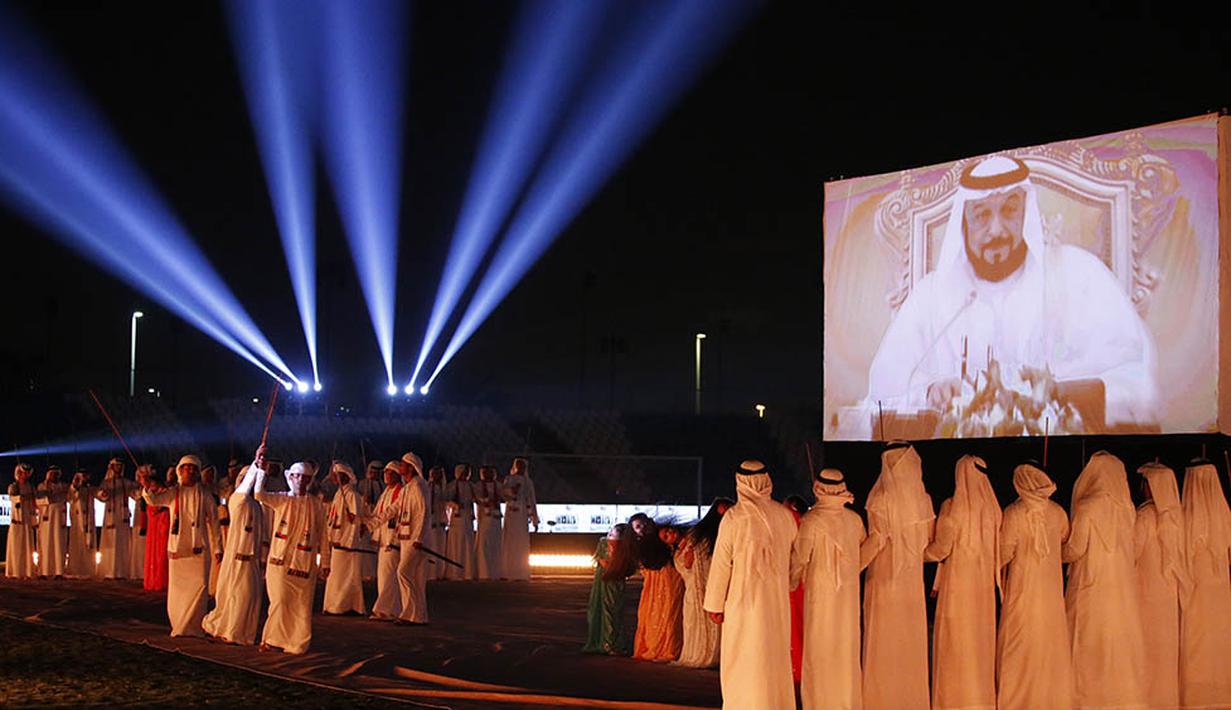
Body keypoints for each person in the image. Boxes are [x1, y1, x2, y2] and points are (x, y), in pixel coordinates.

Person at [864, 155, 1158, 428]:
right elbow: (881, 391)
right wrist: (930, 392)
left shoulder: (1080, 275)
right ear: (963, 222)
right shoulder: (930, 296)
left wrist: (1059, 393)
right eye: (981, 215)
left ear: (1025, 214)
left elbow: (1140, 386)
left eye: (1009, 210)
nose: (996, 230)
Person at [703, 460, 798, 710]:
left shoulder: (734, 518)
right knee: (773, 655)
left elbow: (722, 563)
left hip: (742, 602)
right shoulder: (784, 515)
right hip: (775, 602)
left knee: (743, 656)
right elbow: (795, 559)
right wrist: (790, 583)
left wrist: (715, 603)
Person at [1063, 451, 1148, 708]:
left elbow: (1075, 549)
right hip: (1121, 589)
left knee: (1089, 640)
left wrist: (1054, 552)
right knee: (1118, 641)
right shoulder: (1128, 509)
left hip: (1091, 583)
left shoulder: (1088, 505)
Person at [924, 455, 1001, 710]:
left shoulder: (952, 506)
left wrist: (916, 554)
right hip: (983, 591)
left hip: (958, 590)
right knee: (979, 644)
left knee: (956, 646)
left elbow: (940, 549)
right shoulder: (993, 510)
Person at [860, 443, 934, 710]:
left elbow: (876, 541)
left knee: (883, 640)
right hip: (912, 582)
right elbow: (927, 542)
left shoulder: (880, 497)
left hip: (883, 579)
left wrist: (850, 565)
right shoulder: (923, 500)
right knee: (908, 641)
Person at [997, 462, 1073, 709]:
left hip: (1023, 591)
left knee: (1021, 643)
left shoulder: (1014, 513)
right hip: (1050, 592)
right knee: (1047, 643)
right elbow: (1064, 539)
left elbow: (1004, 552)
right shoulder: (1058, 512)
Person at [790, 470, 866, 710]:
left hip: (819, 598)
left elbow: (799, 559)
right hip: (847, 599)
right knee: (845, 650)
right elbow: (862, 548)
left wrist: (789, 583)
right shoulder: (854, 520)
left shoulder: (812, 521)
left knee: (819, 651)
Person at [139, 455, 223, 638]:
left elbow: (214, 522)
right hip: (178, 551)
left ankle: (193, 628)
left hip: (199, 551)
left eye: (193, 468)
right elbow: (154, 501)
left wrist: (218, 548)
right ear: (180, 471)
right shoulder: (173, 493)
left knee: (200, 588)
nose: (190, 471)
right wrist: (146, 487)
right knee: (178, 593)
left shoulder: (205, 495)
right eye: (186, 468)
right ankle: (179, 626)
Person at [254, 459, 328, 654]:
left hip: (304, 565)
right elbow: (259, 494)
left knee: (301, 606)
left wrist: (325, 563)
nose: (300, 481)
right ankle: (271, 639)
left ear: (309, 480)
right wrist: (260, 469)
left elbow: (323, 536)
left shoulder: (317, 505)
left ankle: (296, 644)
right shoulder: (282, 499)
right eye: (296, 476)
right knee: (279, 601)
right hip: (279, 562)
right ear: (290, 477)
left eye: (305, 478)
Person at [1179, 459, 1231, 707]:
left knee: (1198, 639)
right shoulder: (1222, 515)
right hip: (1218, 591)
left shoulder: (1189, 516)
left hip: (1198, 589)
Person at [1134, 462, 1185, 709]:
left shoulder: (1144, 516)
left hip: (1145, 591)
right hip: (1168, 593)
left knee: (1147, 646)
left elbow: (1132, 551)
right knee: (1165, 647)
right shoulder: (1178, 518)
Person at [203, 453, 266, 645]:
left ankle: (243, 634)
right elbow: (246, 486)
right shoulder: (236, 500)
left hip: (252, 561)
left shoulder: (257, 505)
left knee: (249, 599)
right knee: (235, 596)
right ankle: (229, 631)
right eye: (249, 478)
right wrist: (256, 463)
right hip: (236, 559)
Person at [673, 498, 730, 669]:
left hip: (720, 584)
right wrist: (687, 562)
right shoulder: (695, 535)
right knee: (696, 622)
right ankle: (698, 653)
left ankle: (718, 655)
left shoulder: (730, 532)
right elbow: (680, 558)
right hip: (697, 586)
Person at [632, 518, 685, 662]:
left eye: (668, 531)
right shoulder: (660, 560)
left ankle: (668, 646)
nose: (670, 533)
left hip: (671, 591)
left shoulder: (678, 548)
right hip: (662, 592)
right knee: (661, 616)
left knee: (669, 616)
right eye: (665, 535)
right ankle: (664, 646)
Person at [583, 523, 638, 655]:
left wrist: (610, 565)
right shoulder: (603, 543)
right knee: (599, 609)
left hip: (614, 584)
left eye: (613, 535)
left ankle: (612, 643)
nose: (610, 537)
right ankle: (603, 642)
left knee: (611, 611)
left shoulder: (624, 549)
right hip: (602, 583)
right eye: (610, 534)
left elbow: (624, 568)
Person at [322, 461, 366, 615]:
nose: (335, 478)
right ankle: (334, 605)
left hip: (346, 543)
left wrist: (349, 542)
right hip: (337, 541)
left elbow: (355, 521)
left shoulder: (352, 495)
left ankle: (346, 605)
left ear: (346, 477)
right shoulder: (339, 494)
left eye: (338, 475)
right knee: (337, 575)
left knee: (346, 575)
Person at [366, 461, 404, 621]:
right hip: (382, 541)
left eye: (389, 472)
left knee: (389, 576)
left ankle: (384, 609)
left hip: (392, 540)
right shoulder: (386, 492)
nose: (386, 475)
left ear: (396, 475)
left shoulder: (400, 491)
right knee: (383, 576)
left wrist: (392, 539)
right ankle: (389, 610)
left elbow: (392, 514)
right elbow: (377, 513)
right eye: (385, 473)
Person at [95, 458, 141, 579]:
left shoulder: (127, 482)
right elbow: (100, 495)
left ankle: (121, 572)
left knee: (123, 544)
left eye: (121, 466)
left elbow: (136, 495)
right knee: (109, 543)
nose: (119, 468)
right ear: (112, 467)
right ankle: (108, 572)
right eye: (116, 466)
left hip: (123, 517)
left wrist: (143, 485)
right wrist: (103, 494)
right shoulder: (106, 482)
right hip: (111, 517)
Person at [783, 495, 808, 686]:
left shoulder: (791, 520)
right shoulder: (807, 523)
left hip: (792, 579)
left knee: (793, 625)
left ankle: (795, 667)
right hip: (803, 581)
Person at [501, 457, 538, 580]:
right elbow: (503, 494)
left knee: (520, 541)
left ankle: (520, 572)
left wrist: (534, 519)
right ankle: (507, 571)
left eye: (523, 466)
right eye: (519, 465)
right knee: (510, 540)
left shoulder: (528, 482)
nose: (521, 468)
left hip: (522, 514)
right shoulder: (509, 479)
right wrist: (512, 491)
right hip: (511, 513)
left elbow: (532, 501)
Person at [443, 463, 476, 580]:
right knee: (456, 544)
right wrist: (455, 505)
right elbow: (445, 500)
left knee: (467, 543)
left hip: (467, 519)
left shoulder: (471, 486)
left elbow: (479, 497)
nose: (466, 474)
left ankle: (468, 573)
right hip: (456, 519)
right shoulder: (452, 486)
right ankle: (454, 573)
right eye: (464, 472)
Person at [36, 465, 69, 578]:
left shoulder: (64, 486)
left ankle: (59, 572)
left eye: (56, 473)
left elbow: (70, 496)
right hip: (46, 520)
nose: (54, 476)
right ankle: (44, 571)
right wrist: (48, 499)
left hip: (59, 520)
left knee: (59, 544)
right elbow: (38, 501)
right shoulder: (42, 486)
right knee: (45, 545)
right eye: (52, 473)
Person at [5, 463, 37, 579]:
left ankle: (27, 571)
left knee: (27, 546)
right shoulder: (14, 486)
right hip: (17, 520)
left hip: (27, 519)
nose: (25, 475)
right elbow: (12, 498)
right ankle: (15, 571)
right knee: (16, 545)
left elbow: (34, 500)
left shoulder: (30, 486)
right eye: (23, 473)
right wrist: (20, 497)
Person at [355, 460, 385, 581]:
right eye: (373, 472)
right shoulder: (362, 484)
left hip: (378, 519)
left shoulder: (383, 485)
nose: (375, 474)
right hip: (365, 517)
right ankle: (365, 572)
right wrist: (364, 499)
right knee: (365, 546)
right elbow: (357, 499)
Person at [66, 468, 98, 578]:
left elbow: (100, 494)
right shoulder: (73, 489)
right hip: (77, 521)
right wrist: (75, 485)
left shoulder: (90, 489)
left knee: (88, 543)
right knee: (77, 543)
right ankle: (75, 568)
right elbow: (70, 497)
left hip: (89, 521)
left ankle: (89, 569)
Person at [474, 464, 503, 579]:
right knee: (484, 546)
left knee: (495, 545)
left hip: (496, 519)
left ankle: (495, 573)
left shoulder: (498, 485)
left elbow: (506, 494)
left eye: (490, 472)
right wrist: (486, 500)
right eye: (485, 472)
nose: (488, 475)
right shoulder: (478, 486)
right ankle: (483, 573)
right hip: (484, 519)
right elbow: (476, 497)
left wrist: (513, 490)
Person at [425, 465, 449, 580]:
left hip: (441, 522)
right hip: (432, 521)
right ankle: (431, 574)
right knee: (433, 546)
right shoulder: (429, 487)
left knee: (441, 547)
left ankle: (440, 573)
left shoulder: (443, 488)